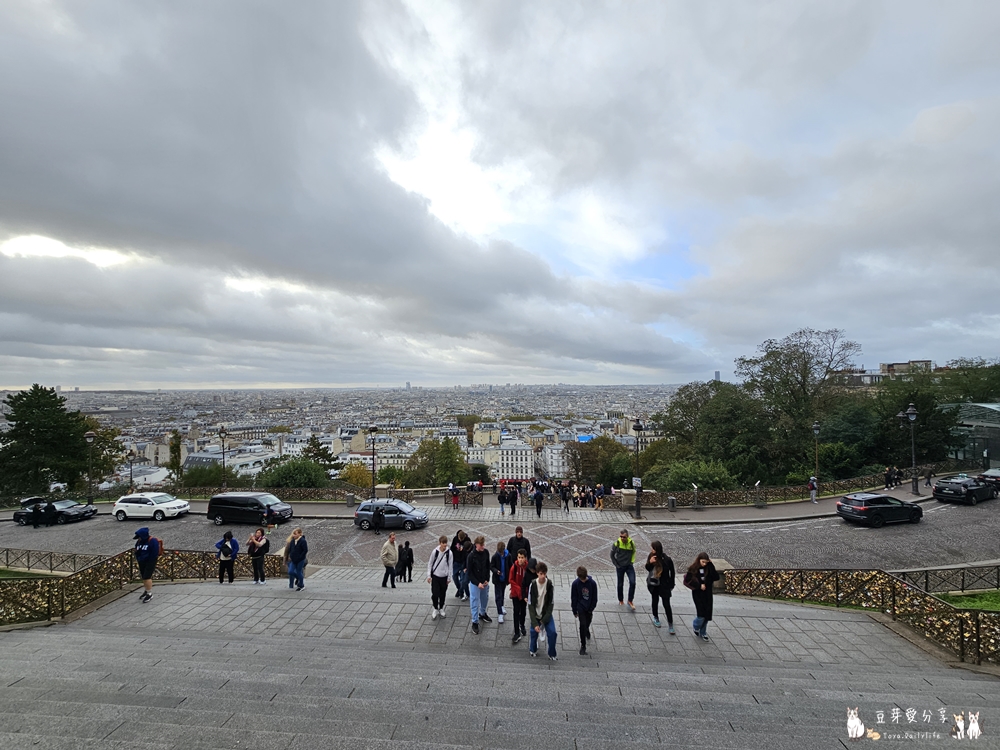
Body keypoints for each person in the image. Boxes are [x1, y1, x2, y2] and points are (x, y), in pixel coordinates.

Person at [683, 551, 720, 641]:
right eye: (703, 562)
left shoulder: (709, 568)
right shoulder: (693, 569)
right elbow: (688, 580)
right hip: (698, 594)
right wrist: (699, 586)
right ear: (699, 560)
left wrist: (711, 565)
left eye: (706, 562)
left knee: (707, 615)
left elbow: (716, 577)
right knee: (701, 615)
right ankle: (696, 626)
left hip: (707, 594)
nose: (704, 564)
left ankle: (703, 632)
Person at [528, 561, 557, 660]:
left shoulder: (549, 584)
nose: (543, 576)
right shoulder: (533, 585)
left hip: (545, 614)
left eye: (544, 574)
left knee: (552, 633)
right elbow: (530, 605)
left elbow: (551, 603)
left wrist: (545, 619)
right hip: (536, 613)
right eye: (541, 574)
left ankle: (552, 654)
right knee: (533, 632)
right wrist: (535, 622)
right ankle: (533, 649)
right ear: (537, 573)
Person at [645, 540, 675, 633]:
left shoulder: (666, 559)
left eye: (653, 548)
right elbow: (648, 569)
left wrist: (671, 583)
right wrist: (650, 562)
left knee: (666, 604)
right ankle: (655, 617)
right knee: (655, 601)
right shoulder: (651, 556)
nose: (651, 549)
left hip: (664, 585)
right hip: (654, 584)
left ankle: (670, 623)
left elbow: (672, 572)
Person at [466, 535, 492, 634]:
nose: (483, 546)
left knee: (485, 598)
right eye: (481, 545)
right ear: (476, 545)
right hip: (475, 583)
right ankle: (475, 621)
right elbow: (469, 573)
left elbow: (487, 566)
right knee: (474, 601)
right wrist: (477, 583)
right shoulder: (471, 556)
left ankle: (483, 613)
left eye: (483, 544)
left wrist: (487, 579)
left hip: (484, 582)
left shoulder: (486, 552)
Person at [570, 565, 598, 655]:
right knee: (582, 624)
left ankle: (586, 629)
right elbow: (574, 598)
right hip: (580, 607)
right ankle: (583, 645)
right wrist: (574, 610)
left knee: (587, 622)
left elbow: (594, 597)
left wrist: (591, 608)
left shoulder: (592, 584)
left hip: (589, 607)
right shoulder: (575, 584)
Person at [427, 535, 452, 619]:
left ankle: (441, 608)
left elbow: (450, 565)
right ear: (440, 543)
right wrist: (429, 575)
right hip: (436, 576)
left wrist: (449, 577)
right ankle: (435, 608)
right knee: (435, 594)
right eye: (443, 543)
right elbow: (430, 563)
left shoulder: (449, 553)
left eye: (445, 543)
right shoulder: (435, 552)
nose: (445, 545)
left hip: (444, 577)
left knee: (442, 594)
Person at [610, 529, 637, 610]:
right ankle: (621, 600)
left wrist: (631, 562)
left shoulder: (631, 543)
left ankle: (630, 600)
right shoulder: (616, 544)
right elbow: (611, 555)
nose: (622, 538)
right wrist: (617, 565)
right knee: (620, 584)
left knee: (632, 582)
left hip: (629, 566)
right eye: (621, 537)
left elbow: (634, 552)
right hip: (620, 566)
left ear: (627, 536)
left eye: (624, 537)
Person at [507, 549, 530, 643]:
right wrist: (517, 588)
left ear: (525, 558)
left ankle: (522, 625)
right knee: (516, 611)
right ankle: (517, 632)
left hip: (524, 593)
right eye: (519, 557)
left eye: (522, 558)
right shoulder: (514, 567)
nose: (520, 560)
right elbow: (511, 579)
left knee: (523, 611)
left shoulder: (527, 568)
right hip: (516, 593)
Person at [133, 527, 160, 603]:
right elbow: (137, 550)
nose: (138, 539)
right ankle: (146, 590)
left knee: (146, 577)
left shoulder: (152, 541)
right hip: (141, 561)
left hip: (149, 561)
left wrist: (149, 560)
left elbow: (154, 552)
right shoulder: (139, 542)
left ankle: (149, 594)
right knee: (143, 576)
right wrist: (138, 557)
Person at [490, 541, 511, 624]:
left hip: (504, 579)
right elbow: (491, 566)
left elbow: (511, 565)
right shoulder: (495, 556)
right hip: (497, 579)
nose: (500, 553)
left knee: (502, 594)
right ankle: (500, 613)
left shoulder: (508, 556)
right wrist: (496, 571)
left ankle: (501, 606)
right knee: (498, 596)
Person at [451, 530, 470, 599]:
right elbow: (452, 549)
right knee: (454, 577)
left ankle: (461, 592)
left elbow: (468, 552)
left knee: (462, 580)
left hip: (463, 562)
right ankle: (459, 589)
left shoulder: (467, 540)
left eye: (462, 539)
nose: (460, 540)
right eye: (459, 539)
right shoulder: (455, 539)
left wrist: (463, 550)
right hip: (456, 561)